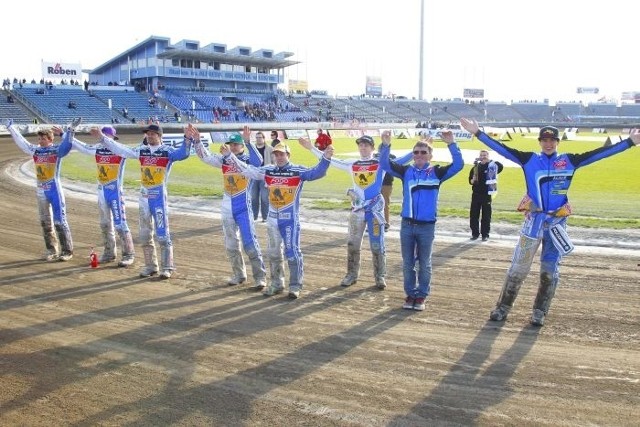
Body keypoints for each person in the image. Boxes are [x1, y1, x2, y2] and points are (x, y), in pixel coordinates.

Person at [460, 118, 640, 326]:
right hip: (532, 224)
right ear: (539, 142)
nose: (548, 143)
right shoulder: (528, 160)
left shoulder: (570, 160)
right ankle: (502, 308)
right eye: (544, 140)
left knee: (549, 271)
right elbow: (501, 148)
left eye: (552, 140)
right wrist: (477, 132)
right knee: (518, 268)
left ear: (557, 142)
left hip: (556, 225)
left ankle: (539, 312)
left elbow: (599, 154)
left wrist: (630, 142)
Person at [222, 141, 334, 299]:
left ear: (288, 155)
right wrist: (230, 157)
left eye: (282, 154)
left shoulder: (297, 170)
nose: (279, 157)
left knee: (292, 253)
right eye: (276, 154)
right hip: (272, 219)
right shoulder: (268, 170)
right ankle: (276, 283)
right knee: (273, 253)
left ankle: (295, 285)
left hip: (289, 221)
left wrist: (326, 158)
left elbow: (317, 173)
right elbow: (248, 170)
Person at [300, 135, 410, 290]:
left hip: (374, 210)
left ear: (372, 148)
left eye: (366, 145)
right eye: (361, 145)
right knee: (352, 244)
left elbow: (401, 161)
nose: (363, 148)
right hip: (357, 210)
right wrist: (311, 148)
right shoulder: (352, 164)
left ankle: (380, 276)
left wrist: (416, 150)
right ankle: (351, 275)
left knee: (377, 245)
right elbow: (332, 160)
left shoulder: (380, 163)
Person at [379, 130, 463, 311]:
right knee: (408, 263)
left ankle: (422, 296)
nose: (419, 155)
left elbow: (458, 165)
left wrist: (452, 144)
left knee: (424, 263)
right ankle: (410, 295)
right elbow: (384, 164)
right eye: (416, 152)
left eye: (423, 152)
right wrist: (385, 146)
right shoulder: (406, 171)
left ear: (430, 155)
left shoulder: (437, 172)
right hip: (407, 225)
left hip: (426, 226)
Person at [101, 123, 192, 279]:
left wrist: (187, 138)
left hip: (159, 198)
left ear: (160, 136)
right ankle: (150, 266)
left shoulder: (167, 151)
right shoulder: (141, 151)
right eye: (147, 134)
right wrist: (103, 138)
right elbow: (121, 149)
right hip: (143, 197)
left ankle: (167, 267)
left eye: (153, 134)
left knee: (162, 234)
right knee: (144, 234)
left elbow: (183, 154)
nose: (149, 136)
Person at [192, 126, 267, 289]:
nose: (232, 146)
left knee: (250, 243)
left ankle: (260, 277)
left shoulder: (246, 160)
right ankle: (239, 274)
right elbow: (205, 157)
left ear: (241, 146)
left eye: (236, 144)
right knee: (231, 244)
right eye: (231, 144)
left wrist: (248, 142)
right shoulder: (224, 159)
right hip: (227, 205)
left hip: (243, 206)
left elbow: (258, 162)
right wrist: (197, 141)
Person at [62, 123, 135, 267]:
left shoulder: (120, 151)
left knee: (120, 224)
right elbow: (80, 146)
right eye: (106, 136)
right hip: (102, 191)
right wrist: (65, 134)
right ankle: (109, 253)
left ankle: (128, 254)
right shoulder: (97, 149)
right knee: (104, 224)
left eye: (109, 137)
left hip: (115, 191)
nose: (107, 139)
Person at [6, 119, 77, 261]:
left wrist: (70, 131)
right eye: (39, 138)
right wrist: (11, 128)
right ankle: (51, 250)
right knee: (45, 222)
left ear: (50, 139)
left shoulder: (56, 150)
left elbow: (67, 146)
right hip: (40, 190)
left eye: (43, 138)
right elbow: (22, 143)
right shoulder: (36, 150)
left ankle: (67, 251)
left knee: (60, 221)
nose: (40, 141)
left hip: (54, 189)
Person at [468, 150, 503, 241]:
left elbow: (501, 166)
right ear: (479, 156)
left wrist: (489, 160)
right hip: (476, 194)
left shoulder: (492, 167)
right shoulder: (475, 167)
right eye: (481, 155)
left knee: (486, 216)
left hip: (487, 194)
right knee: (474, 215)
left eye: (485, 155)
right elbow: (470, 181)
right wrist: (473, 180)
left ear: (488, 156)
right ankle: (475, 234)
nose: (483, 156)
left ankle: (485, 235)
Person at [249, 131, 273, 222]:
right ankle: (254, 217)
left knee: (264, 198)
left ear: (264, 138)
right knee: (254, 197)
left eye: (260, 137)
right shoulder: (252, 149)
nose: (258, 139)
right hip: (254, 177)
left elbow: (274, 162)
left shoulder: (270, 149)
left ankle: (265, 217)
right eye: (257, 137)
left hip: (265, 177)